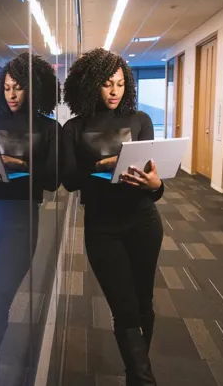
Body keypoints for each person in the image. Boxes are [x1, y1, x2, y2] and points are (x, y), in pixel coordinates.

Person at [62, 48, 164, 386]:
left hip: (144, 221)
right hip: (103, 227)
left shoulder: (140, 121)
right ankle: (144, 378)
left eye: (120, 83)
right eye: (107, 84)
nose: (115, 90)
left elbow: (152, 185)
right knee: (124, 308)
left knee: (143, 302)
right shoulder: (74, 128)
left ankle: (137, 376)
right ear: (91, 85)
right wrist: (103, 166)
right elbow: (71, 181)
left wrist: (156, 183)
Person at [0, 52, 61, 386]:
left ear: (33, 89)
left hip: (22, 221)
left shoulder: (49, 128)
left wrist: (18, 165)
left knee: (0, 296)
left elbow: (51, 182)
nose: (12, 94)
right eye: (6, 88)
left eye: (18, 88)